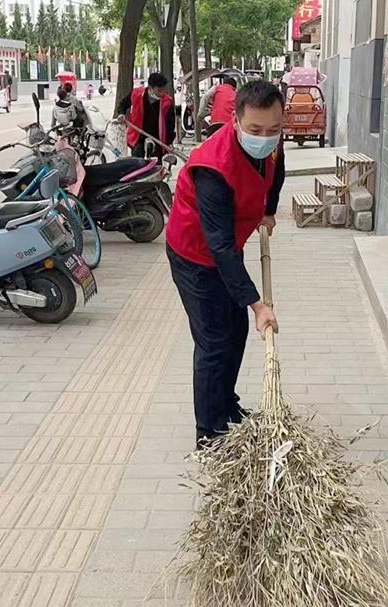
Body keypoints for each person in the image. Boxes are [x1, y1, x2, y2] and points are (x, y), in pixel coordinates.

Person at [166, 79, 286, 449]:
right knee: (214, 341)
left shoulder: (271, 141)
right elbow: (218, 246)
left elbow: (276, 170)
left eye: (273, 129)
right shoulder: (212, 167)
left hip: (227, 248)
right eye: (255, 130)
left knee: (235, 332)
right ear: (235, 121)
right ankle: (208, 431)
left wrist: (268, 210)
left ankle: (226, 406)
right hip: (194, 255)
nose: (265, 138)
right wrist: (258, 305)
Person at [118, 72, 175, 159]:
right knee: (137, 159)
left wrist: (169, 142)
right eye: (159, 90)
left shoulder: (167, 102)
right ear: (150, 88)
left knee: (155, 162)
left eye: (164, 90)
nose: (162, 93)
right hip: (138, 133)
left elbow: (170, 124)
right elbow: (123, 104)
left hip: (157, 137)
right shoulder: (137, 94)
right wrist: (122, 113)